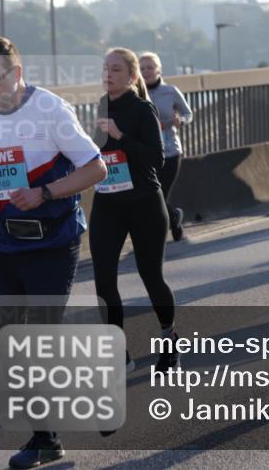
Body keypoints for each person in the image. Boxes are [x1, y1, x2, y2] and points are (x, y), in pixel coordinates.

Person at [0, 37, 107, 469]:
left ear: (17, 74)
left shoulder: (49, 110)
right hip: (9, 241)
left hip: (54, 239)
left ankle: (49, 432)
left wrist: (45, 191)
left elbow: (96, 167)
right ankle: (48, 439)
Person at [91, 47, 180, 375]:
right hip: (108, 203)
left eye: (115, 69)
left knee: (151, 276)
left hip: (143, 202)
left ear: (131, 77)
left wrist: (120, 136)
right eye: (105, 68)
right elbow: (98, 154)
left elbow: (155, 159)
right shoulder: (101, 107)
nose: (108, 74)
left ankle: (169, 338)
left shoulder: (144, 109)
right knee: (103, 280)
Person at [139, 52, 193, 241]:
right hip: (146, 153)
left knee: (160, 194)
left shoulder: (170, 91)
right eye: (142, 68)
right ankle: (174, 217)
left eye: (150, 67)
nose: (146, 71)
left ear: (158, 70)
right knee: (152, 195)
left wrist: (181, 120)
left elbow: (188, 113)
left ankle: (162, 228)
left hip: (170, 152)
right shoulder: (135, 93)